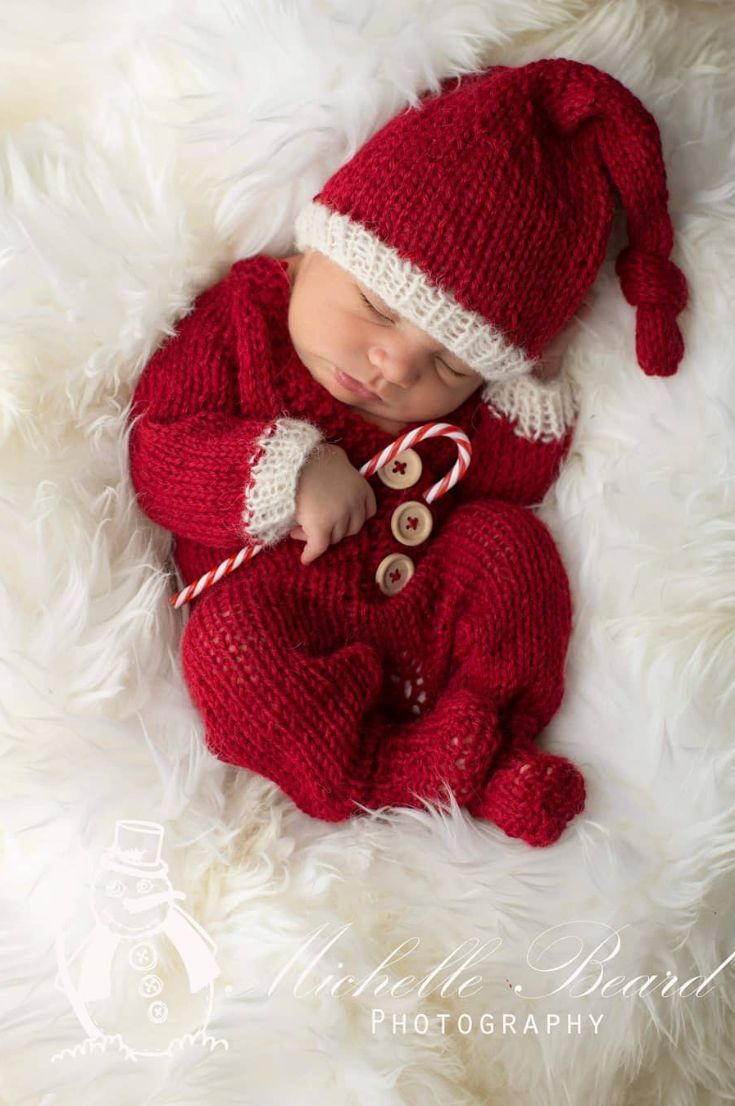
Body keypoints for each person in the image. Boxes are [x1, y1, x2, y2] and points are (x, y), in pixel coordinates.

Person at [127, 59, 687, 847]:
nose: (394, 366)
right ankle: (387, 775)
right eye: (376, 307)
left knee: (507, 546)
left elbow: (502, 485)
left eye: (449, 365)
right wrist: (282, 472)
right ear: (316, 248)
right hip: (281, 617)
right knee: (227, 650)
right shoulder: (245, 323)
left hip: (416, 605)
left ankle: (487, 741)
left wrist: (531, 389)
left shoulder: (448, 407)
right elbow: (158, 454)